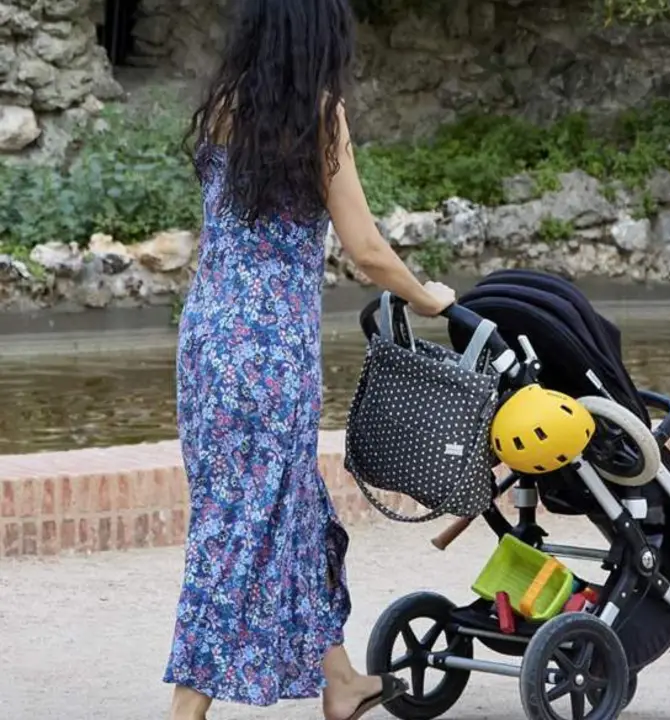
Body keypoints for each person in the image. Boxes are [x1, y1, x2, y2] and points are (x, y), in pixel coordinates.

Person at [162, 0, 455, 717]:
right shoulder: (319, 117)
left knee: (288, 507)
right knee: (240, 525)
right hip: (269, 355)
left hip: (205, 343)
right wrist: (426, 298)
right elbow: (366, 250)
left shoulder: (227, 104)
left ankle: (342, 680)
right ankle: (185, 709)